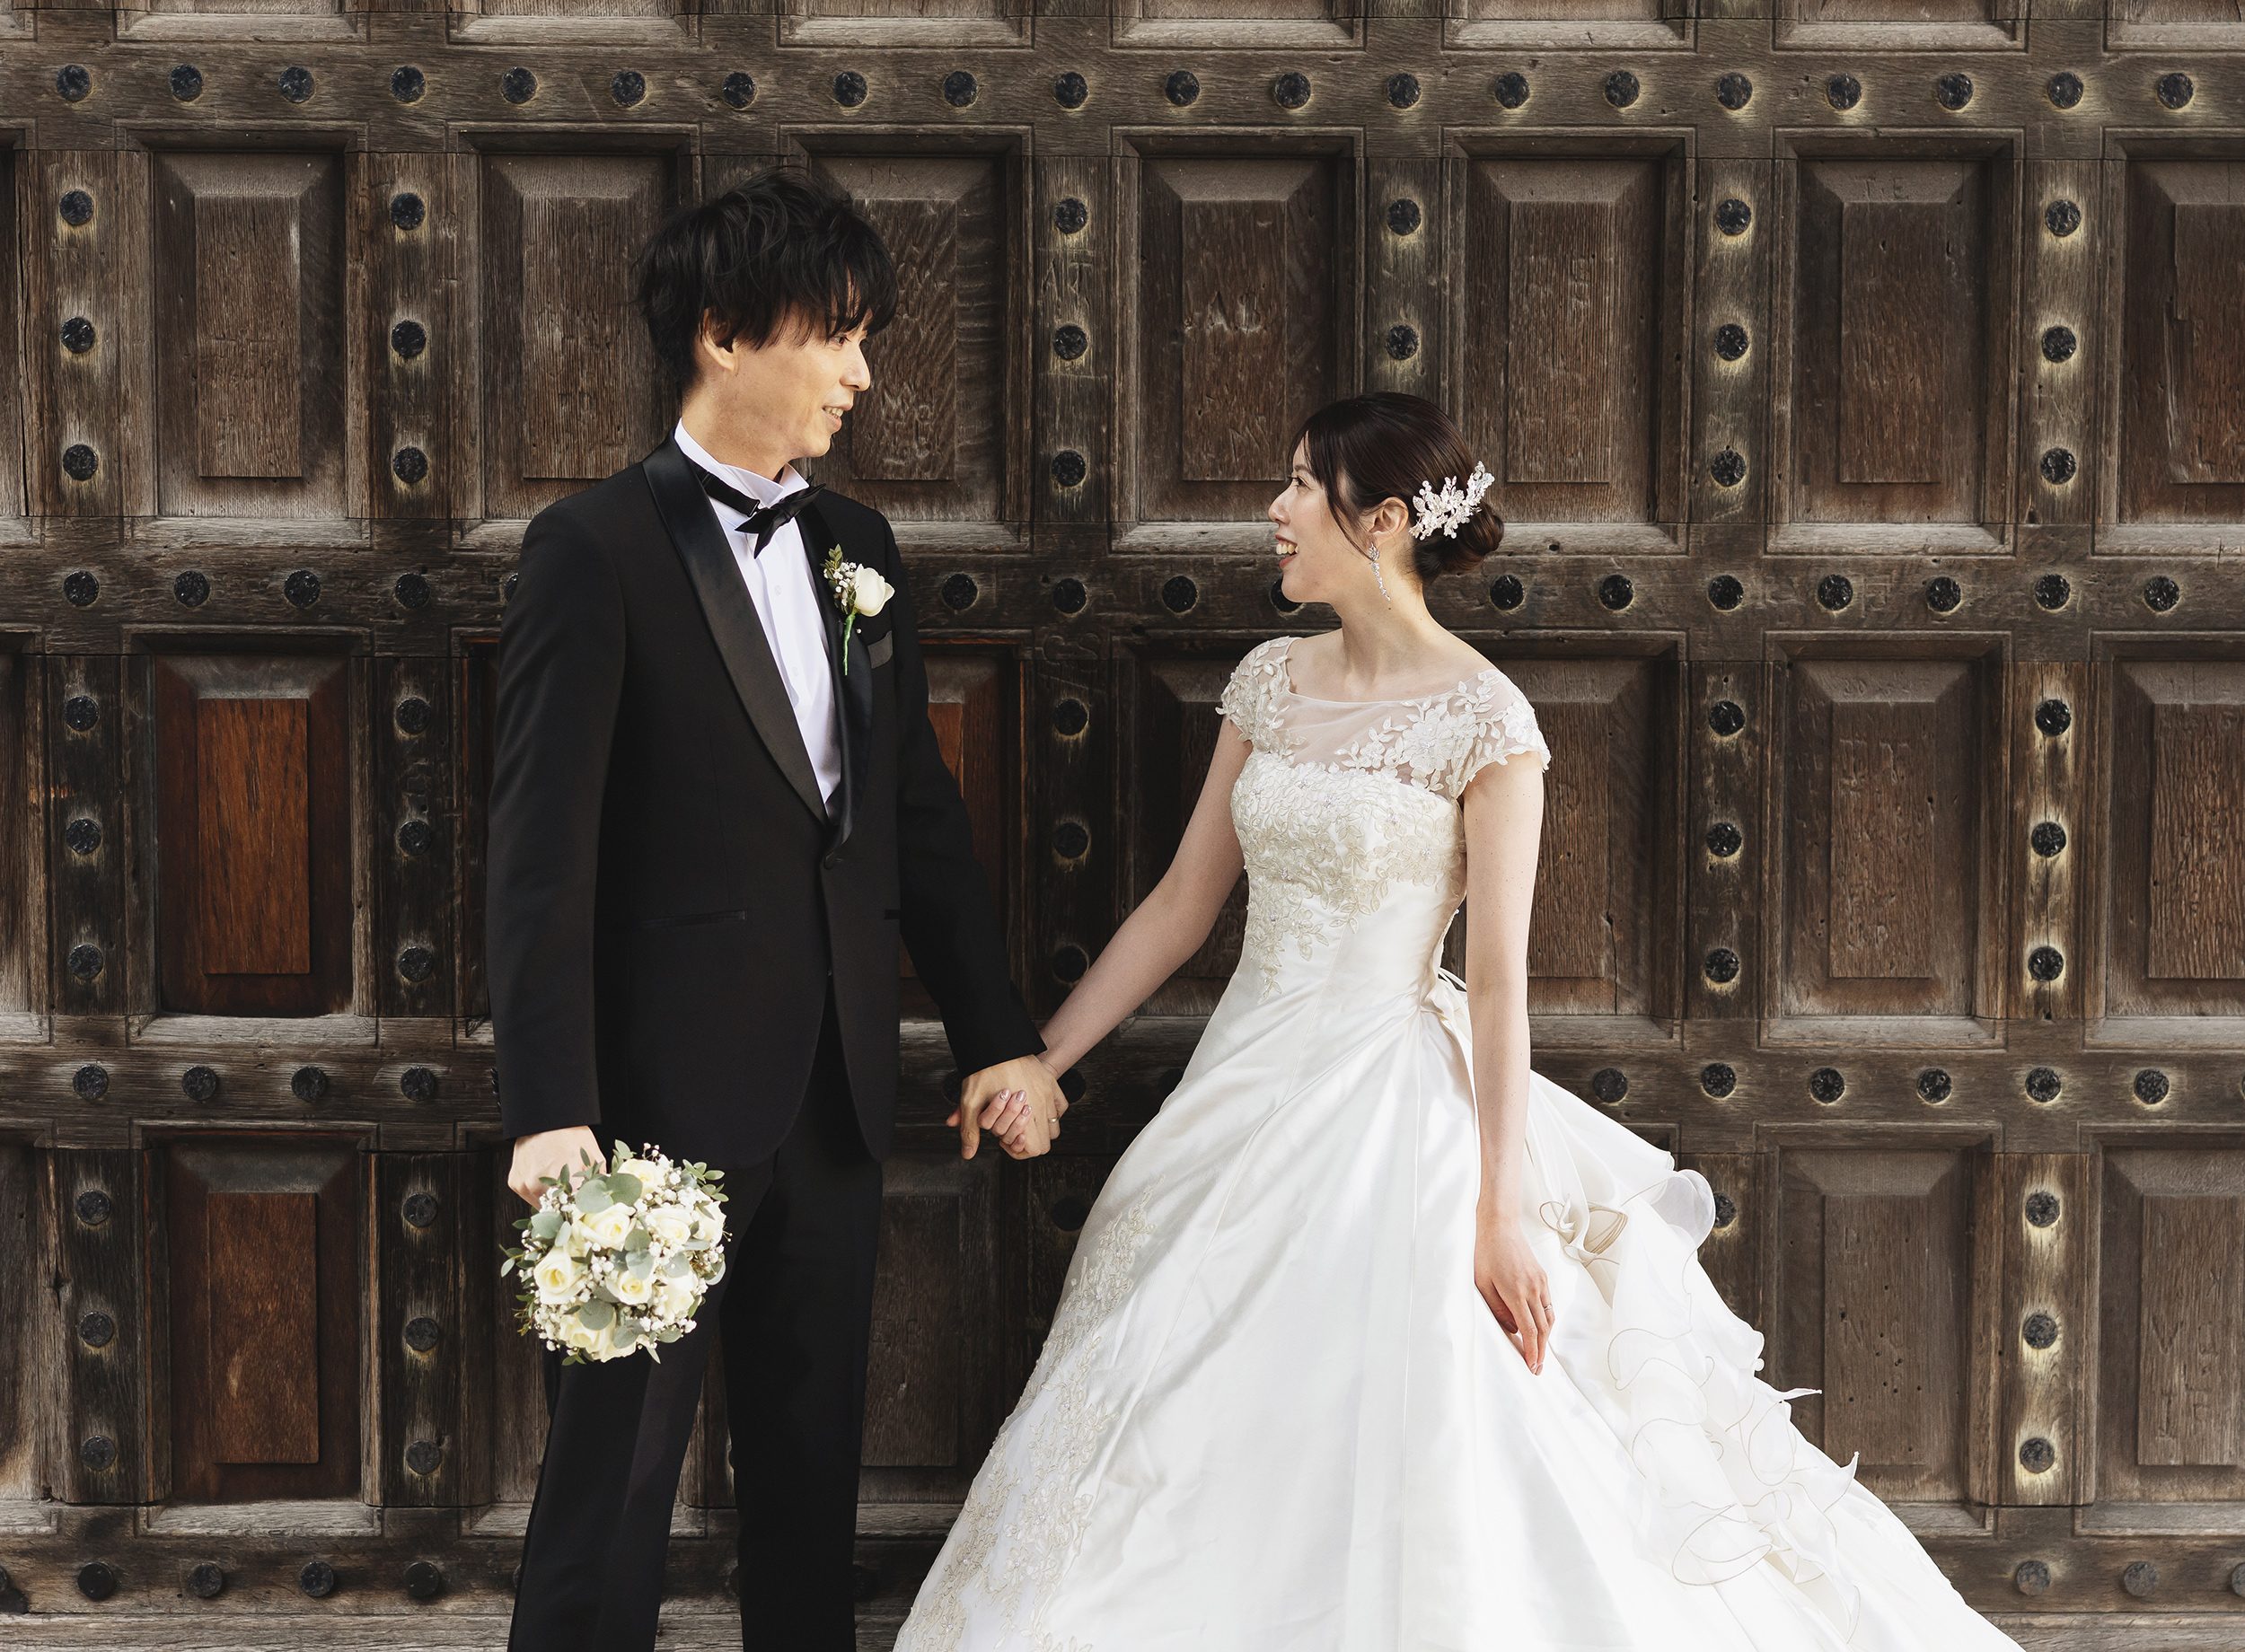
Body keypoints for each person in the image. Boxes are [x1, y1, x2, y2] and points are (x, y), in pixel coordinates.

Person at [896, 392, 2023, 1650]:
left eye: (1296, 488)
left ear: (1379, 521)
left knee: (1431, 1383)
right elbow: (1177, 906)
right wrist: (1041, 1061)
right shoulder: (1269, 681)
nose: (1270, 513)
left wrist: (1497, 1214)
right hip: (1240, 1089)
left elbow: (1497, 981)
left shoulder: (1489, 722)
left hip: (1389, 1103)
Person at [484, 165, 1065, 1652]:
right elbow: (540, 851)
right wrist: (552, 1105)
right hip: (648, 1115)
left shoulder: (861, 551)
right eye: (841, 336)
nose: (864, 375)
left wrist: (1002, 1037)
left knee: (809, 1486)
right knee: (608, 1486)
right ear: (729, 333)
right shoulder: (592, 549)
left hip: (836, 1101)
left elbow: (912, 823)